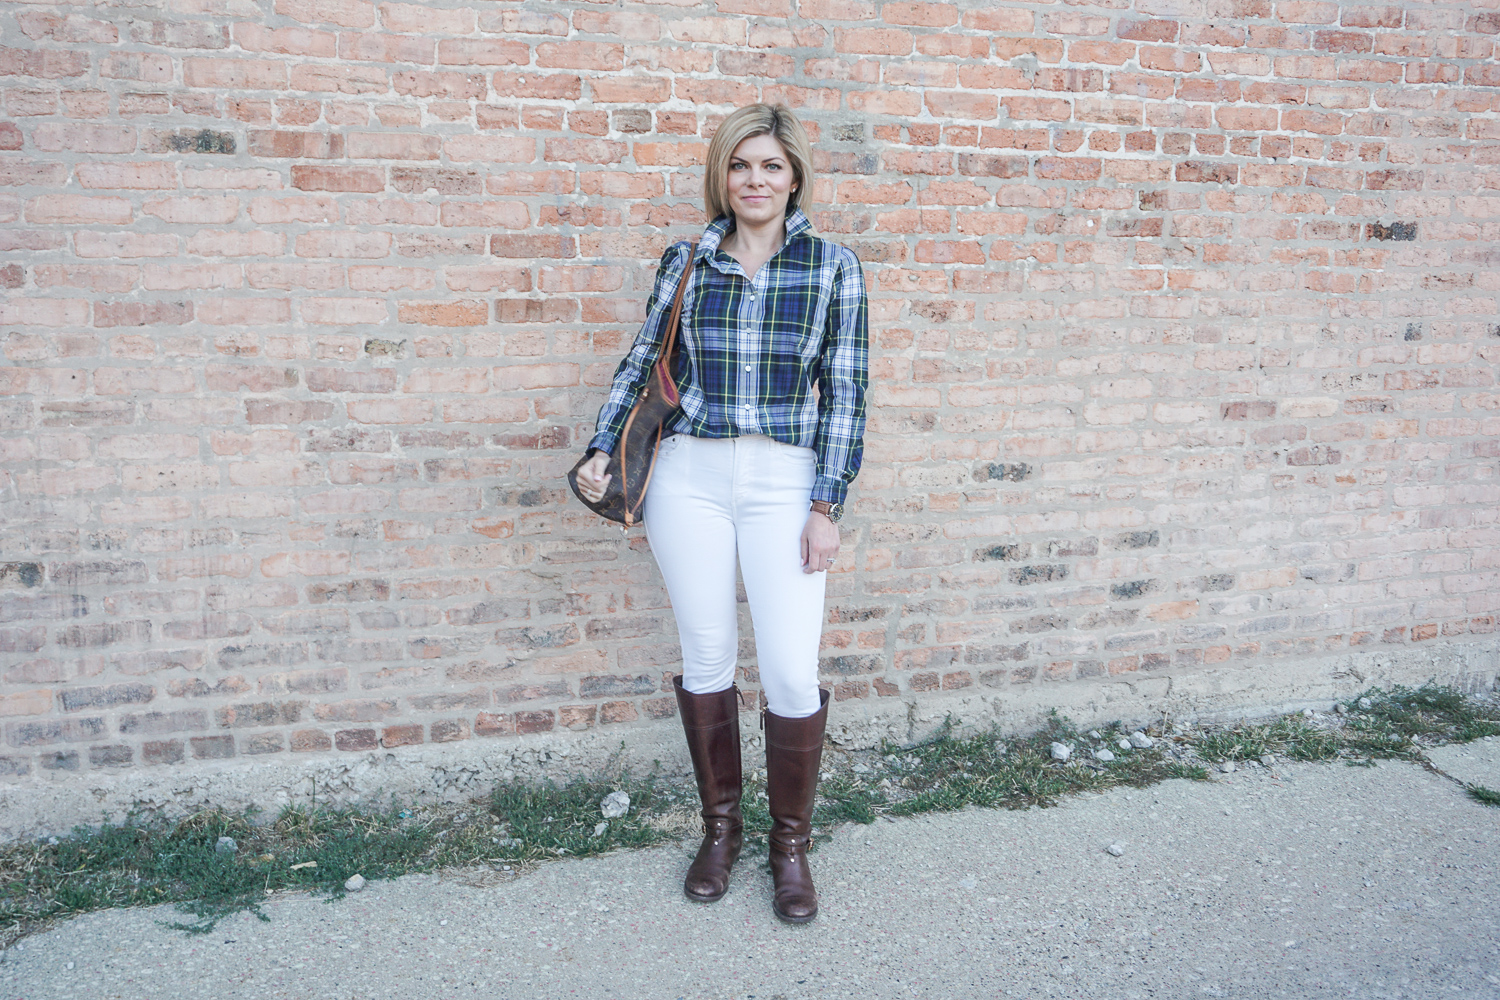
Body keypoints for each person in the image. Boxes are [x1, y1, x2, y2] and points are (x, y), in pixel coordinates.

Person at [572, 103, 868, 923]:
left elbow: (845, 394)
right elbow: (643, 364)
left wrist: (826, 504)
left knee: (789, 670)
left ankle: (790, 849)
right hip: (689, 479)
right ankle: (721, 832)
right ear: (722, 176)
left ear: (795, 175)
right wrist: (603, 446)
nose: (755, 181)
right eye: (741, 166)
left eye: (771, 166)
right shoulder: (686, 259)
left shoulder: (834, 267)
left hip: (784, 480)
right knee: (706, 656)